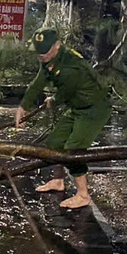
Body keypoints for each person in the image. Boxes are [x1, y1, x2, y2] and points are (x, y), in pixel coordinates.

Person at [15, 29, 111, 209]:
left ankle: (83, 194)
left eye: (45, 52)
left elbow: (65, 94)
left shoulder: (70, 67)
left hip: (94, 109)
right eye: (39, 52)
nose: (41, 56)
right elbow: (39, 81)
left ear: (57, 45)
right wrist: (23, 107)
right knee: (55, 140)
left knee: (73, 149)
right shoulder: (50, 59)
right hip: (77, 107)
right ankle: (58, 180)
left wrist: (53, 101)